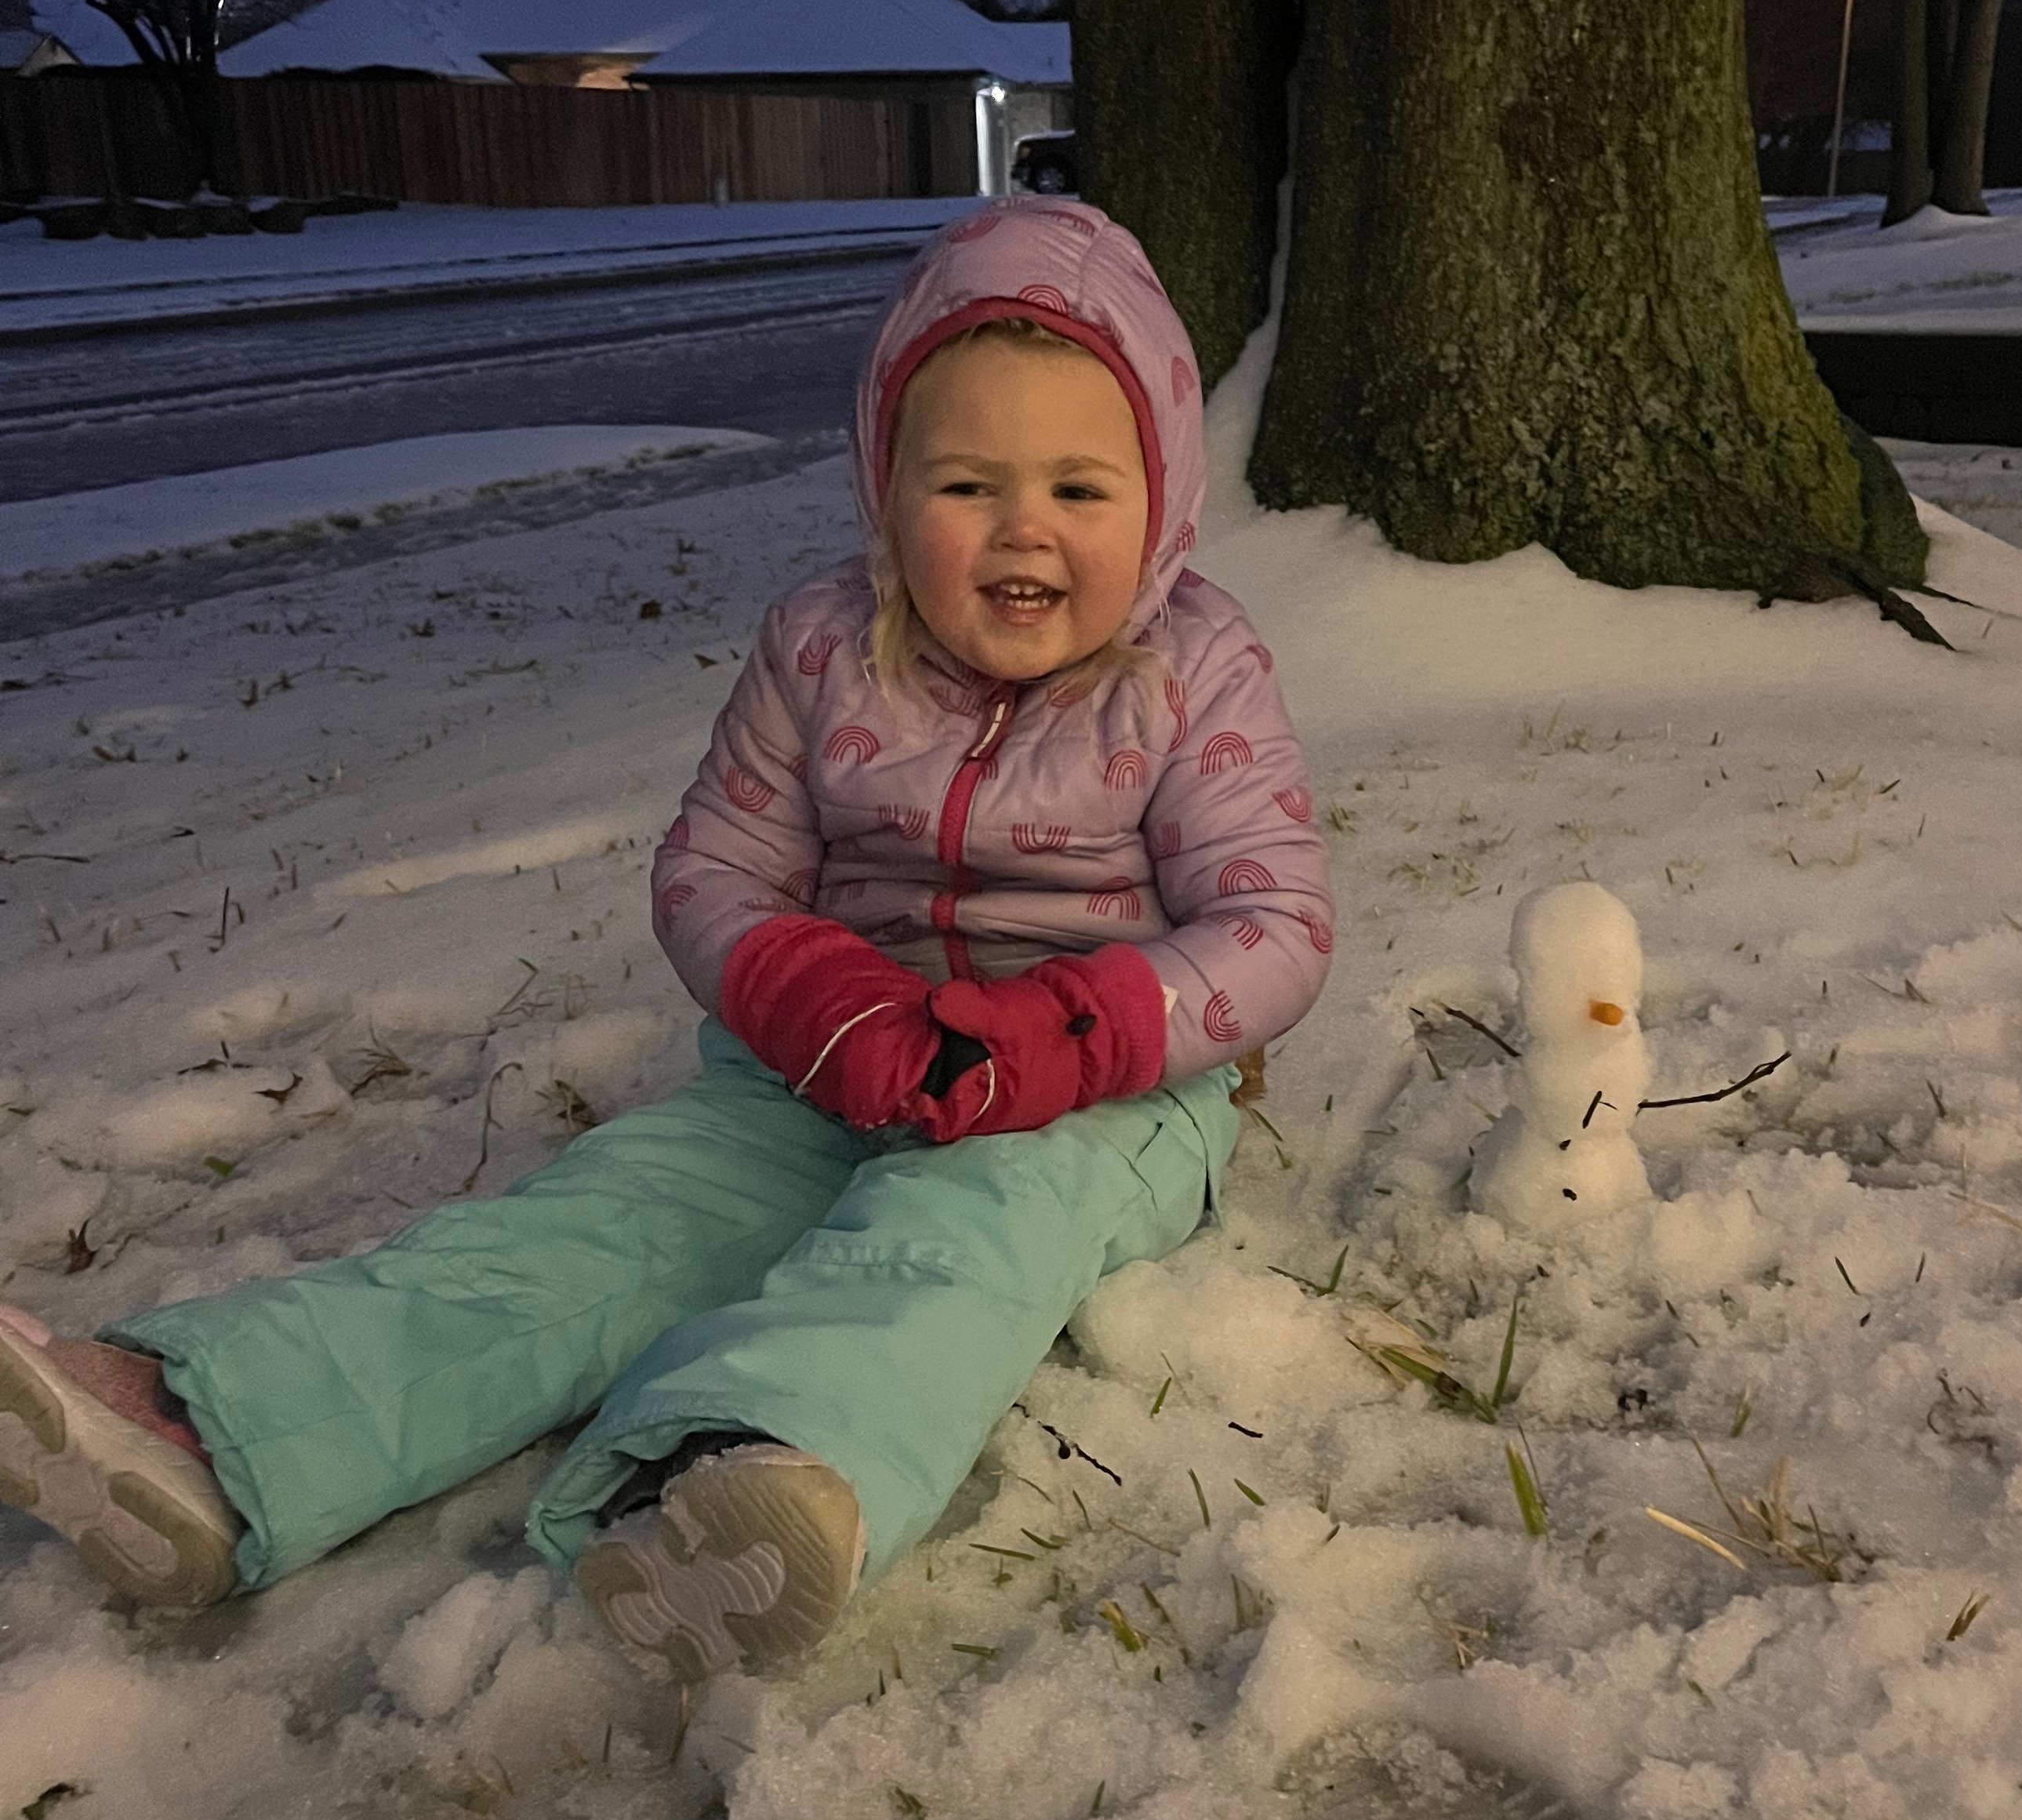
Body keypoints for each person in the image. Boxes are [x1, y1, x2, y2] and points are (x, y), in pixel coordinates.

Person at [0, 202, 1334, 1685]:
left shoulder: (1196, 668)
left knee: (964, 1241)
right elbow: (720, 865)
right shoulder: (826, 647)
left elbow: (1272, 923)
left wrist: (1079, 1032)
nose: (1026, 527)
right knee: (600, 1228)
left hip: (1100, 1098)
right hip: (821, 1067)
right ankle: (215, 1432)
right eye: (968, 482)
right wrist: (809, 990)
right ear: (886, 489)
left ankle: (749, 1475)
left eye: (1081, 487)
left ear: (1162, 500)